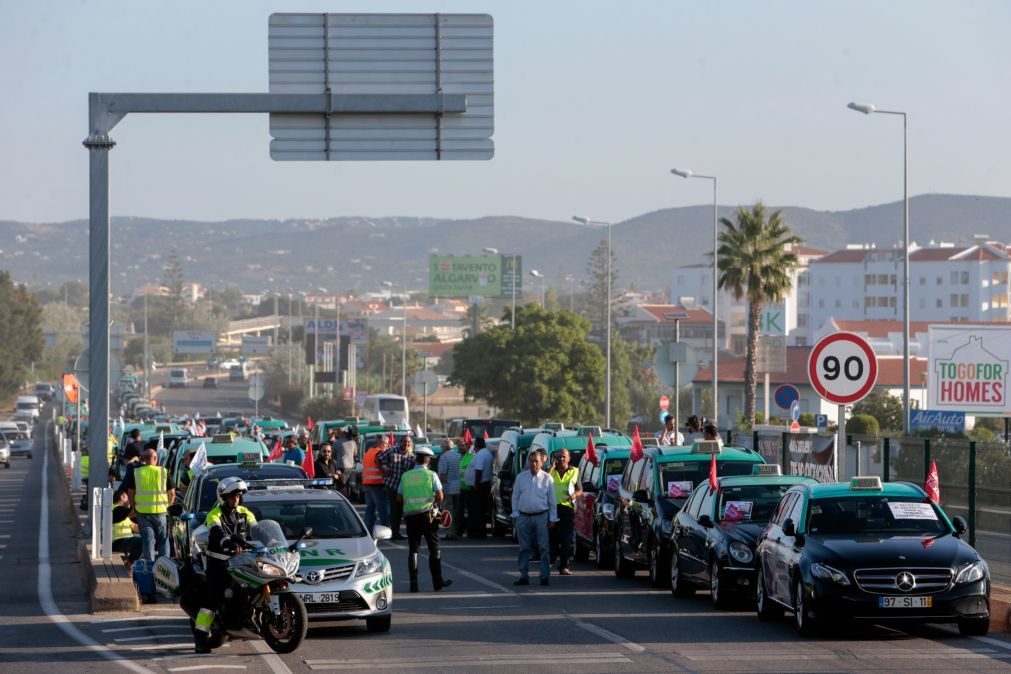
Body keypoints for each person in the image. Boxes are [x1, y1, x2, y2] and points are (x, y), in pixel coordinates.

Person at [193, 477, 258, 653]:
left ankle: (247, 619)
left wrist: (269, 541)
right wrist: (226, 542)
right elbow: (216, 530)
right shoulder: (214, 514)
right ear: (223, 497)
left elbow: (258, 530)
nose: (235, 499)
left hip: (242, 561)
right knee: (211, 600)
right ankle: (200, 639)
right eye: (231, 496)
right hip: (219, 562)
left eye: (237, 495)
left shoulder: (246, 513)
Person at [398, 446, 453, 593]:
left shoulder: (405, 476)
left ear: (415, 459)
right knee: (433, 549)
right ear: (428, 460)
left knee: (413, 550)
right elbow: (440, 496)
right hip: (428, 516)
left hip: (410, 517)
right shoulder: (431, 475)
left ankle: (413, 585)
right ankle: (438, 582)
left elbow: (399, 497)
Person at [511, 449, 557, 586]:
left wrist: (552, 518)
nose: (534, 464)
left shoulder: (547, 478)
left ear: (541, 463)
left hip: (541, 516)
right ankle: (523, 576)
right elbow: (515, 497)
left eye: (536, 461)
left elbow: (552, 500)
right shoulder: (521, 477)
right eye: (531, 461)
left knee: (543, 547)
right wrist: (516, 514)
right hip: (523, 517)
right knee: (524, 548)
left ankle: (544, 576)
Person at [127, 449, 174, 563]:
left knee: (148, 541)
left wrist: (134, 507)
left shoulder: (137, 472)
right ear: (155, 458)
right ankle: (165, 566)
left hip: (143, 513)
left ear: (144, 459)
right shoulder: (163, 472)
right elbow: (172, 493)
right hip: (161, 513)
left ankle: (149, 567)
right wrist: (167, 506)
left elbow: (130, 492)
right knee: (163, 540)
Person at [548, 449, 582, 576]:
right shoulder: (551, 471)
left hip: (567, 509)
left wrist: (575, 495)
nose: (561, 459)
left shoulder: (575, 471)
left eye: (563, 457)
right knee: (553, 539)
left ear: (568, 458)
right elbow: (544, 481)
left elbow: (580, 489)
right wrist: (551, 467)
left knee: (567, 539)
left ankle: (564, 566)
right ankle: (550, 561)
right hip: (553, 509)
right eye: (558, 457)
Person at [380, 435, 413, 540]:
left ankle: (397, 532)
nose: (406, 444)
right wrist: (383, 467)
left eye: (408, 442)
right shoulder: (392, 451)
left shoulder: (411, 456)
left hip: (404, 487)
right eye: (404, 442)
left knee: (401, 510)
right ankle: (394, 533)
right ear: (400, 442)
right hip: (392, 485)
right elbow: (379, 458)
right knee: (395, 509)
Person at [467, 436, 494, 539]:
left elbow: (478, 470)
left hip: (480, 485)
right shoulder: (487, 453)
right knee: (481, 510)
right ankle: (481, 531)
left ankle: (478, 532)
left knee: (477, 510)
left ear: (477, 445)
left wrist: (476, 484)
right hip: (485, 484)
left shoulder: (481, 455)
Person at [362, 435, 389, 533]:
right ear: (381, 443)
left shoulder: (368, 452)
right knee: (383, 509)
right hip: (377, 485)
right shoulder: (380, 453)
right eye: (386, 444)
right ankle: (387, 530)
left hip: (367, 485)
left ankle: (368, 530)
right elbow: (383, 469)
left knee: (370, 509)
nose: (387, 446)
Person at [435, 439, 461, 540]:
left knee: (448, 512)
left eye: (441, 446)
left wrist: (439, 488)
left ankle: (450, 533)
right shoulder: (458, 456)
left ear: (445, 447)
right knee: (457, 511)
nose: (441, 448)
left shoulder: (444, 457)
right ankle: (457, 531)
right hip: (458, 488)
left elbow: (442, 474)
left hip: (448, 488)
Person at [334, 427, 357, 496]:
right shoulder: (353, 442)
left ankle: (344, 500)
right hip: (351, 467)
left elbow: (333, 455)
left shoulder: (336, 443)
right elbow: (355, 454)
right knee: (350, 485)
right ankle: (350, 497)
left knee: (342, 486)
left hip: (341, 467)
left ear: (339, 433)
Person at [458, 438, 474, 536]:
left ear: (467, 446)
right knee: (459, 511)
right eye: (458, 446)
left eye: (462, 445)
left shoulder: (471, 456)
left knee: (469, 510)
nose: (459, 448)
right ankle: (460, 529)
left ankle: (469, 529)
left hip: (468, 488)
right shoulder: (457, 456)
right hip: (459, 488)